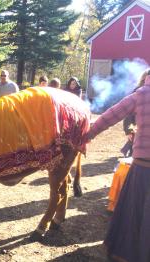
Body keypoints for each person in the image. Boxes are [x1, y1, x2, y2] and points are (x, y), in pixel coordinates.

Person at [84, 68, 150, 262]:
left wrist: (89, 134)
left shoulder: (140, 95)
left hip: (143, 167)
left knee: (134, 214)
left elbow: (111, 115)